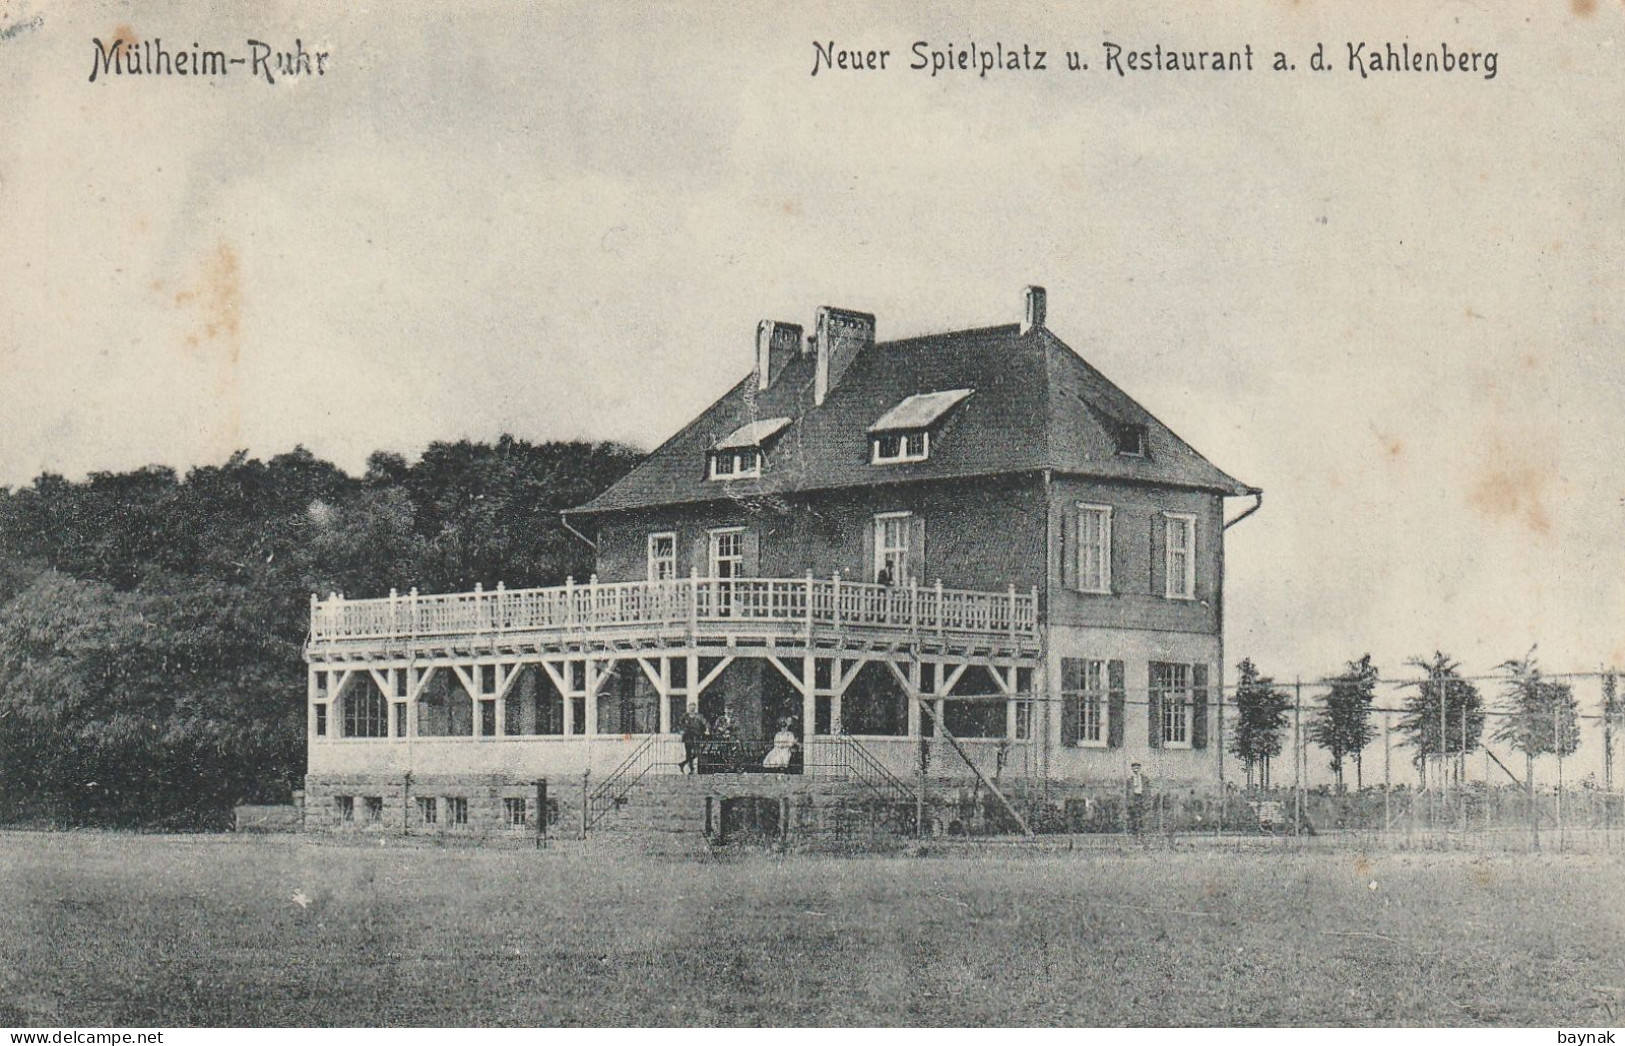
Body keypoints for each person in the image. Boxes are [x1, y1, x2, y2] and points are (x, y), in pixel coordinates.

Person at [678, 708, 709, 775]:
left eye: (693, 707)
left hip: (696, 737)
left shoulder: (699, 716)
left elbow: (705, 723)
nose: (692, 709)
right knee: (688, 753)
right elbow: (680, 724)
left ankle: (683, 763)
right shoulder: (685, 716)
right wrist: (682, 730)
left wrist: (707, 729)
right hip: (687, 737)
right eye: (690, 707)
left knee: (697, 752)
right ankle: (691, 769)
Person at [1127, 762, 1150, 834]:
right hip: (1134, 797)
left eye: (1137, 768)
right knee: (1134, 814)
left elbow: (1148, 790)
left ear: (1139, 769)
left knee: (1142, 814)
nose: (1136, 770)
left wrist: (1147, 799)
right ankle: (1134, 831)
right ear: (1132, 769)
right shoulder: (1130, 780)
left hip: (1141, 797)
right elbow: (1127, 791)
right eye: (1134, 768)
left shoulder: (1144, 779)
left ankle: (1142, 830)